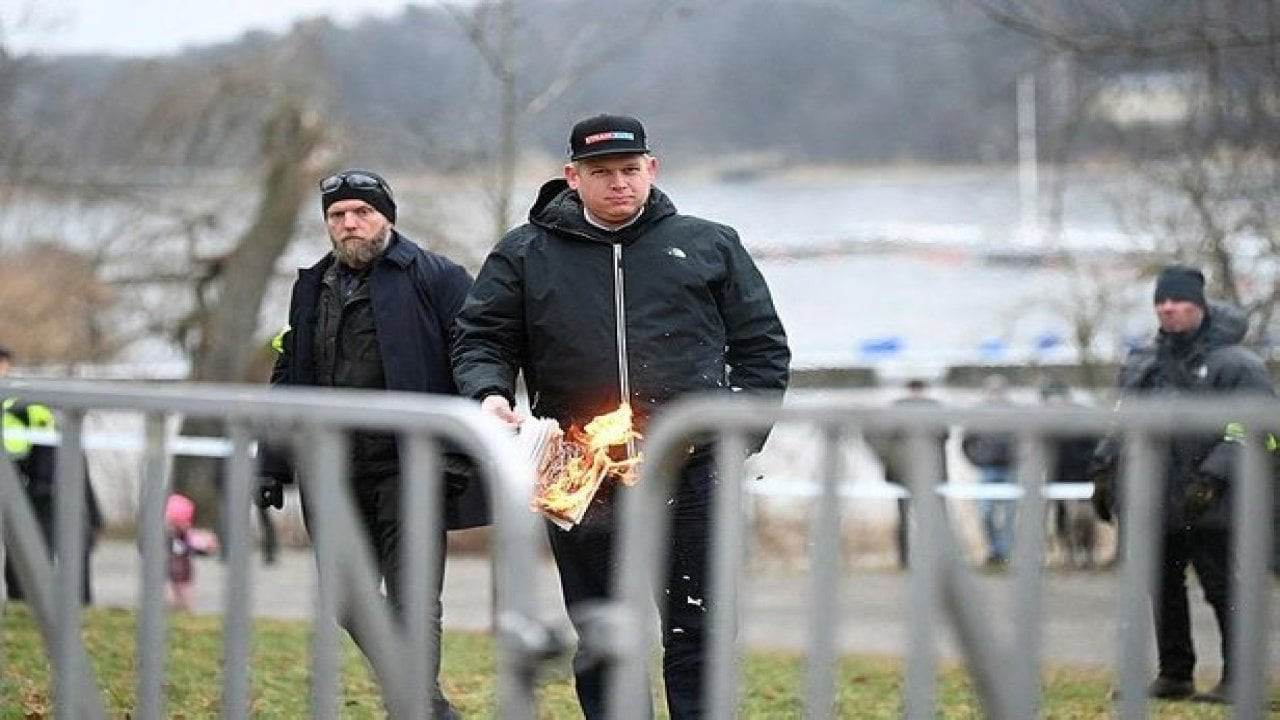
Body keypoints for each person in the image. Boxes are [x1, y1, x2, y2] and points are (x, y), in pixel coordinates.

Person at [451, 114, 791, 719]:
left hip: (693, 467)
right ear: (571, 177)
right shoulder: (524, 253)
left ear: (651, 169)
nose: (618, 184)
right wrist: (489, 392)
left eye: (630, 170)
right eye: (601, 173)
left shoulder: (711, 243)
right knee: (603, 628)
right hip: (577, 470)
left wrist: (737, 434)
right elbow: (481, 338)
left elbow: (763, 350)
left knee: (701, 627)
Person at [254, 169, 487, 720]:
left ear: (388, 215)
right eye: (338, 215)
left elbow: (477, 361)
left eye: (362, 212)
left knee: (414, 601)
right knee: (345, 596)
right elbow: (291, 375)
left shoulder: (438, 277)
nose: (350, 223)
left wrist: (458, 452)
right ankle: (424, 704)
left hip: (411, 465)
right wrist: (271, 461)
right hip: (329, 468)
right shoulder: (310, 284)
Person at [1090, 265, 1274, 704]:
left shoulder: (1236, 364)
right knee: (1163, 586)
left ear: (1199, 305)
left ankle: (1241, 678)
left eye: (1177, 300)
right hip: (1153, 496)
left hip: (1214, 501)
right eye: (1161, 301)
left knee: (1224, 589)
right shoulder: (1143, 363)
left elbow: (1259, 428)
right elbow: (1121, 419)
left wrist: (1215, 475)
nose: (1168, 308)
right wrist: (1102, 468)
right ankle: (1175, 674)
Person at [2, 345, 103, 605]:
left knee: (34, 560)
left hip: (38, 492)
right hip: (32, 489)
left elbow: (52, 453)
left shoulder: (22, 404)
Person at [869, 378, 948, 568]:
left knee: (933, 518)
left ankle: (935, 559)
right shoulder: (899, 409)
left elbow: (943, 435)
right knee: (904, 517)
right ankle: (905, 559)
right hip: (905, 472)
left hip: (928, 472)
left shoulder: (934, 409)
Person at [1039, 378, 1102, 569]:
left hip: (1084, 477)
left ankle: (1088, 554)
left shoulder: (1084, 419)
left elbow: (1095, 447)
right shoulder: (1046, 422)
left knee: (1085, 518)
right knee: (1063, 518)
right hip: (1059, 478)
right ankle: (1068, 555)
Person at [961, 373, 1017, 567]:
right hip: (987, 470)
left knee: (1010, 516)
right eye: (993, 390)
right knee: (985, 513)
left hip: (1011, 470)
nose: (996, 394)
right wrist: (978, 460)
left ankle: (1006, 554)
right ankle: (995, 551)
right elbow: (966, 442)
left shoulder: (1015, 413)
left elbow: (1027, 442)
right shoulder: (978, 413)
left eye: (999, 390)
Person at [164, 492, 217, 611]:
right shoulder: (165, 537)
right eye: (182, 522)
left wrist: (208, 546)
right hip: (169, 574)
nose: (186, 525)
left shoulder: (187, 537)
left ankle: (186, 612)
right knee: (171, 598)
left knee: (186, 598)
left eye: (187, 522)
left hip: (184, 576)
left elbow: (201, 546)